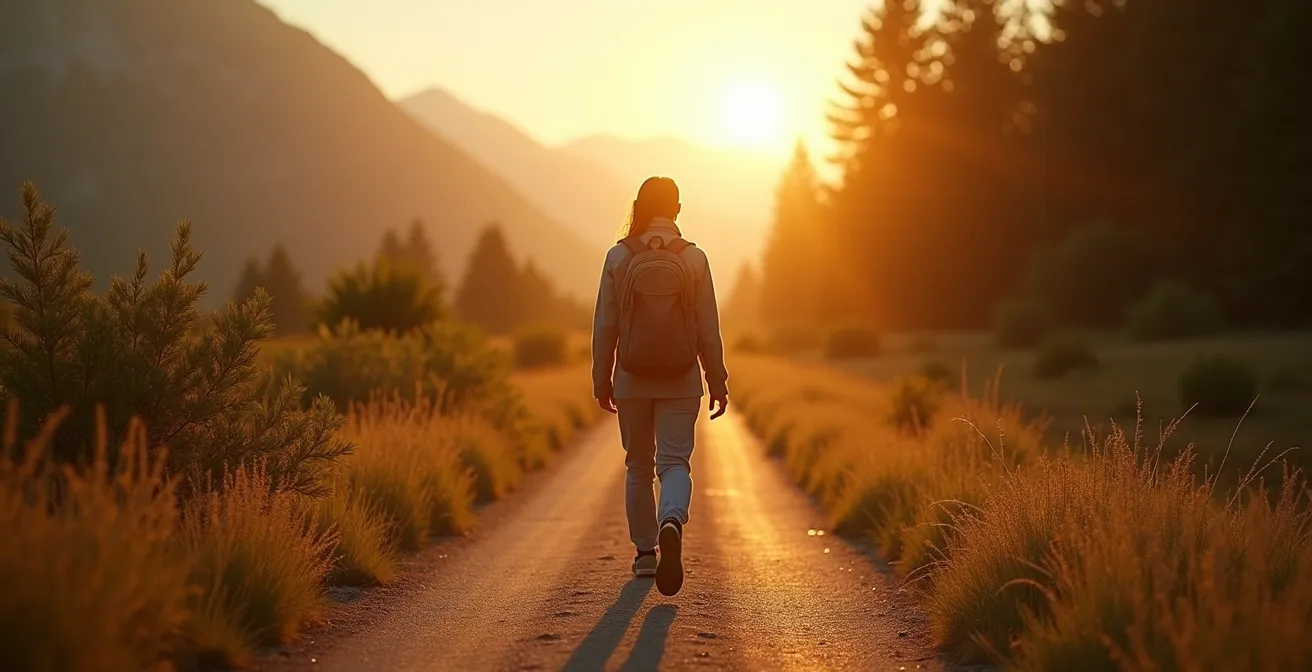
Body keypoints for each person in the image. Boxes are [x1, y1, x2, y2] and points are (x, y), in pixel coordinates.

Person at [591, 175, 729, 597]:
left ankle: (646, 554)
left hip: (631, 378)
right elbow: (707, 327)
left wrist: (602, 379)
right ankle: (672, 519)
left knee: (637, 464)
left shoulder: (619, 256)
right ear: (678, 210)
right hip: (682, 377)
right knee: (674, 463)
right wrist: (717, 378)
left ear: (638, 206)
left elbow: (606, 324)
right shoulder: (694, 258)